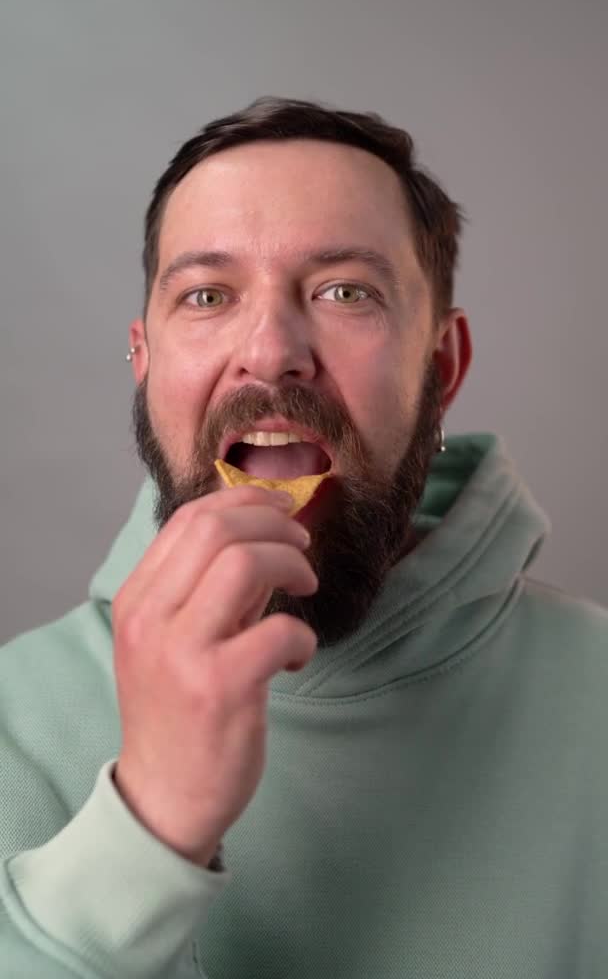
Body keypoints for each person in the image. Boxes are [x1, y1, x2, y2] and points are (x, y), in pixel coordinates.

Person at [0, 96, 606, 979]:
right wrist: (148, 824)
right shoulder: (12, 719)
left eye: (343, 292)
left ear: (440, 366)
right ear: (146, 360)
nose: (272, 350)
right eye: (208, 295)